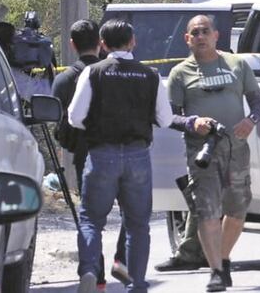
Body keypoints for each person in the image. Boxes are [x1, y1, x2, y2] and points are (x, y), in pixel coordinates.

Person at [68, 19, 190, 293]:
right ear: (132, 42)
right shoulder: (149, 75)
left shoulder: (93, 73)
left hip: (101, 154)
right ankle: (136, 283)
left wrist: (99, 127)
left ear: (102, 44)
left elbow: (75, 117)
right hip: (137, 155)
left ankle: (88, 270)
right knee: (137, 225)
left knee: (91, 220)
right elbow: (165, 117)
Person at [167, 15, 260, 292]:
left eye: (204, 31)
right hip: (203, 153)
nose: (200, 36)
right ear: (187, 39)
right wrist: (191, 123)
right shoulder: (180, 73)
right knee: (207, 211)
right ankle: (216, 271)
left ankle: (223, 258)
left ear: (215, 35)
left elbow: (257, 102)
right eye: (194, 33)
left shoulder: (237, 65)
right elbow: (168, 117)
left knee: (236, 211)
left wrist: (251, 120)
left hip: (236, 150)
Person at [51, 19, 130, 289]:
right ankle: (123, 259)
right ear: (100, 42)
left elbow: (60, 122)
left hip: (87, 155)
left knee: (91, 219)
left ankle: (95, 274)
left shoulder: (63, 80)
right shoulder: (115, 73)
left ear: (72, 44)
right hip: (125, 151)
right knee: (132, 211)